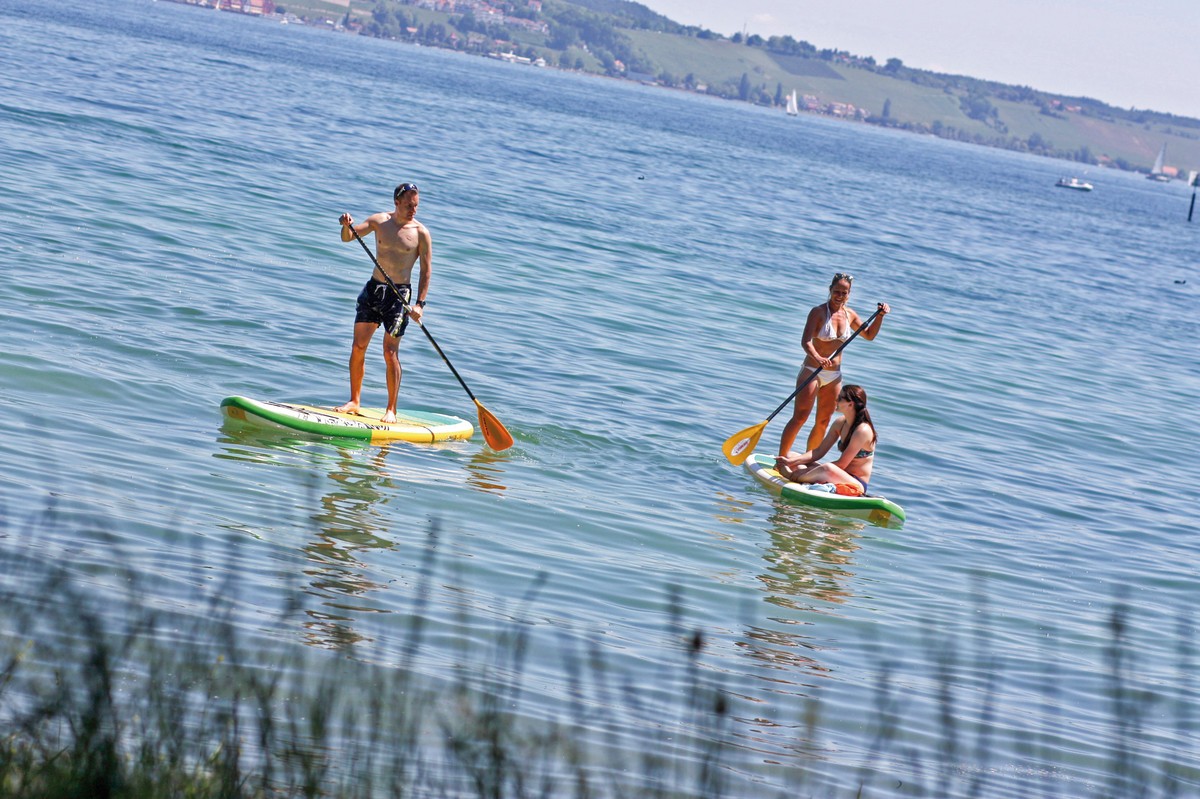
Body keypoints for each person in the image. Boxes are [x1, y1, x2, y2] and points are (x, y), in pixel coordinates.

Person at [334, 183, 430, 424]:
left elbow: (426, 271)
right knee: (358, 346)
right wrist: (346, 226)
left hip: (399, 297)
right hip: (374, 290)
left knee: (390, 352)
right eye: (409, 205)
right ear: (397, 202)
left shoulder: (420, 233)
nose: (413, 210)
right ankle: (354, 401)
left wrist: (419, 304)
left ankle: (391, 410)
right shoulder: (379, 221)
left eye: (416, 205)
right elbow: (349, 238)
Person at [777, 272, 888, 457]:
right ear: (830, 290)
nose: (840, 296)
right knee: (800, 417)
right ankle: (782, 457)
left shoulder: (850, 315)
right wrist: (818, 358)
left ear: (849, 294)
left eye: (844, 293)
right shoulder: (818, 312)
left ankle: (807, 461)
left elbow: (869, 335)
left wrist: (881, 316)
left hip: (834, 375)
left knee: (823, 421)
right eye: (836, 291)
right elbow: (806, 342)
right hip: (812, 370)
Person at [775, 384, 877, 494]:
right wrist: (791, 461)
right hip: (838, 474)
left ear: (850, 404)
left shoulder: (862, 431)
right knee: (792, 455)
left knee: (827, 468)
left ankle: (791, 475)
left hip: (855, 483)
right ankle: (804, 475)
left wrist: (806, 470)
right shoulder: (840, 423)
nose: (835, 400)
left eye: (839, 398)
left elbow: (842, 464)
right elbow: (819, 451)